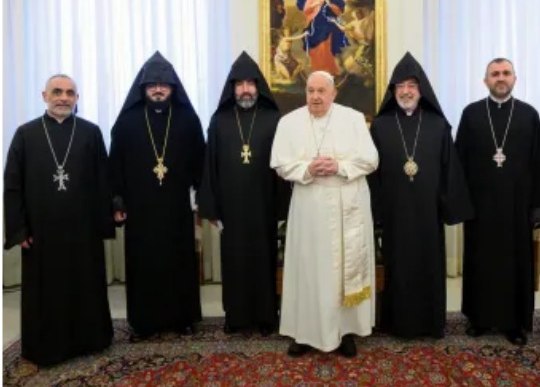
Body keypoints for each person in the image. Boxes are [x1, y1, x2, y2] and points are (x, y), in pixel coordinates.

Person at [4, 74, 114, 366]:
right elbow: (12, 185)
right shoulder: (25, 134)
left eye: (69, 93)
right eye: (57, 92)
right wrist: (18, 229)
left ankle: (90, 339)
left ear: (77, 98)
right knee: (47, 290)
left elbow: (103, 179)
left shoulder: (91, 132)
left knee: (85, 284)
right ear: (45, 96)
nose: (63, 98)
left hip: (83, 230)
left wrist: (105, 219)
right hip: (42, 232)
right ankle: (47, 346)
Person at [270, 70, 378, 358]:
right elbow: (280, 164)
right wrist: (307, 168)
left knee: (343, 269)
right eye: (311, 91)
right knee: (309, 269)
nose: (315, 97)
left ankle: (346, 331)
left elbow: (371, 160)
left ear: (333, 93)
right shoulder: (288, 123)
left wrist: (339, 167)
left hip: (347, 203)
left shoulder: (353, 119)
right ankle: (304, 333)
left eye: (321, 91)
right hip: (309, 206)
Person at [455, 58, 540, 346]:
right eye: (495, 74)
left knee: (516, 263)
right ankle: (479, 318)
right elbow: (459, 160)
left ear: (515, 78)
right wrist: (459, 203)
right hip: (480, 207)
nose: (500, 78)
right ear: (485, 80)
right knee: (480, 262)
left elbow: (539, 162)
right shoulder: (471, 113)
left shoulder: (528, 114)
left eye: (506, 73)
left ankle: (514, 323)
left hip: (518, 206)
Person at [368, 52, 473, 338]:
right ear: (393, 91)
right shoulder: (380, 125)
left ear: (421, 89)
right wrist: (376, 212)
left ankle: (430, 323)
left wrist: (451, 207)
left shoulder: (438, 124)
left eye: (412, 85)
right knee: (398, 267)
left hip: (428, 212)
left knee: (429, 266)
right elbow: (372, 174)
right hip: (395, 212)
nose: (406, 91)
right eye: (400, 86)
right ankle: (396, 324)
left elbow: (450, 167)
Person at [109, 51, 206, 342]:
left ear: (173, 88)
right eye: (152, 85)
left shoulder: (187, 119)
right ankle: (144, 322)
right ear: (143, 88)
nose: (158, 90)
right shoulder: (127, 121)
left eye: (164, 85)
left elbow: (200, 161)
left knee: (179, 262)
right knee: (144, 264)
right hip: (141, 209)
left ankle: (183, 318)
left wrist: (203, 198)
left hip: (176, 207)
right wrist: (117, 201)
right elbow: (115, 165)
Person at [198, 51, 287, 336]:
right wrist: (211, 207)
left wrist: (282, 207)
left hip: (263, 204)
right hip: (231, 206)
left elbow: (283, 165)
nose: (245, 89)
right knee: (234, 261)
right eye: (240, 84)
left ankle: (266, 317)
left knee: (263, 259)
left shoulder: (274, 119)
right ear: (232, 88)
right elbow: (209, 165)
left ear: (258, 86)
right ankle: (235, 316)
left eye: (250, 83)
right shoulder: (219, 120)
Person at [293, 0, 349, 76]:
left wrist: (329, 4)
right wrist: (314, 4)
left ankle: (329, 69)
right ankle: (318, 68)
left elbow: (337, 10)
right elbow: (306, 10)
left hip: (327, 21)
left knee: (326, 45)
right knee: (316, 46)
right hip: (315, 21)